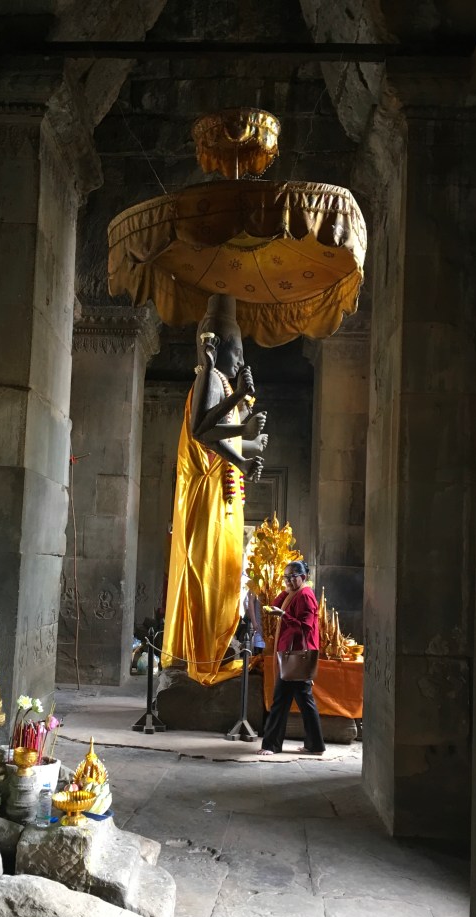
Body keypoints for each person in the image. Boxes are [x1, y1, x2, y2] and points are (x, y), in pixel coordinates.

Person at [162, 294, 269, 685]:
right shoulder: (208, 377)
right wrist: (242, 423)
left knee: (226, 577)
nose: (240, 359)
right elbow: (203, 431)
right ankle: (204, 657)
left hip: (223, 500)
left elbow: (230, 436)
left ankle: (217, 652)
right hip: (206, 499)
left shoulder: (223, 382)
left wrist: (253, 438)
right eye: (236, 350)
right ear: (216, 347)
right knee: (208, 576)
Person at [257, 560, 325, 756]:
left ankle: (271, 745)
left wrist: (284, 615)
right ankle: (314, 745)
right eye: (285, 577)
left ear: (303, 577)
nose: (287, 580)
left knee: (282, 700)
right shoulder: (294, 593)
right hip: (290, 655)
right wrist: (285, 593)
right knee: (302, 700)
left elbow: (305, 627)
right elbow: (274, 606)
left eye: (291, 577)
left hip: (296, 655)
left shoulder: (306, 596)